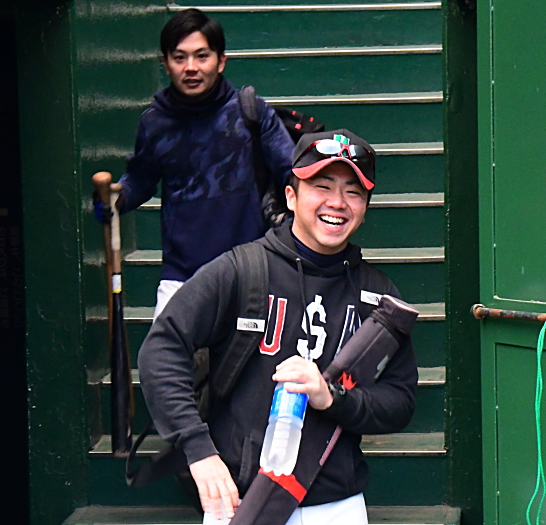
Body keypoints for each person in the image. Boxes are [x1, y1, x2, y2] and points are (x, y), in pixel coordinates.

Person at [138, 129, 418, 525]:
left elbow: (400, 402)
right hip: (243, 503)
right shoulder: (241, 270)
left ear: (365, 207)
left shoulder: (376, 294)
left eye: (353, 192)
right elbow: (161, 350)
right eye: (322, 186)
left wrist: (332, 398)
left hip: (337, 505)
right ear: (291, 196)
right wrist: (198, 451)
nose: (337, 203)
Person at [107, 8, 294, 317]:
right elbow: (140, 179)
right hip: (182, 277)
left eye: (202, 56)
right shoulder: (154, 123)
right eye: (179, 58)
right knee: (163, 350)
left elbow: (292, 175)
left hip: (252, 271)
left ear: (221, 61)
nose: (191, 67)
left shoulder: (250, 112)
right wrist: (117, 199)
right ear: (166, 64)